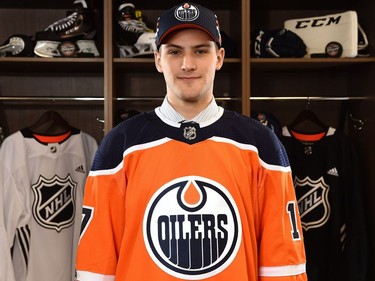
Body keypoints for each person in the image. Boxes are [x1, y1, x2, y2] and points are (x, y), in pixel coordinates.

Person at [75, 2, 307, 281]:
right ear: (158, 59)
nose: (187, 64)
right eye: (174, 52)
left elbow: (283, 265)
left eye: (200, 51)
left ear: (219, 58)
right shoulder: (120, 145)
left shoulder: (260, 145)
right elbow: (95, 266)